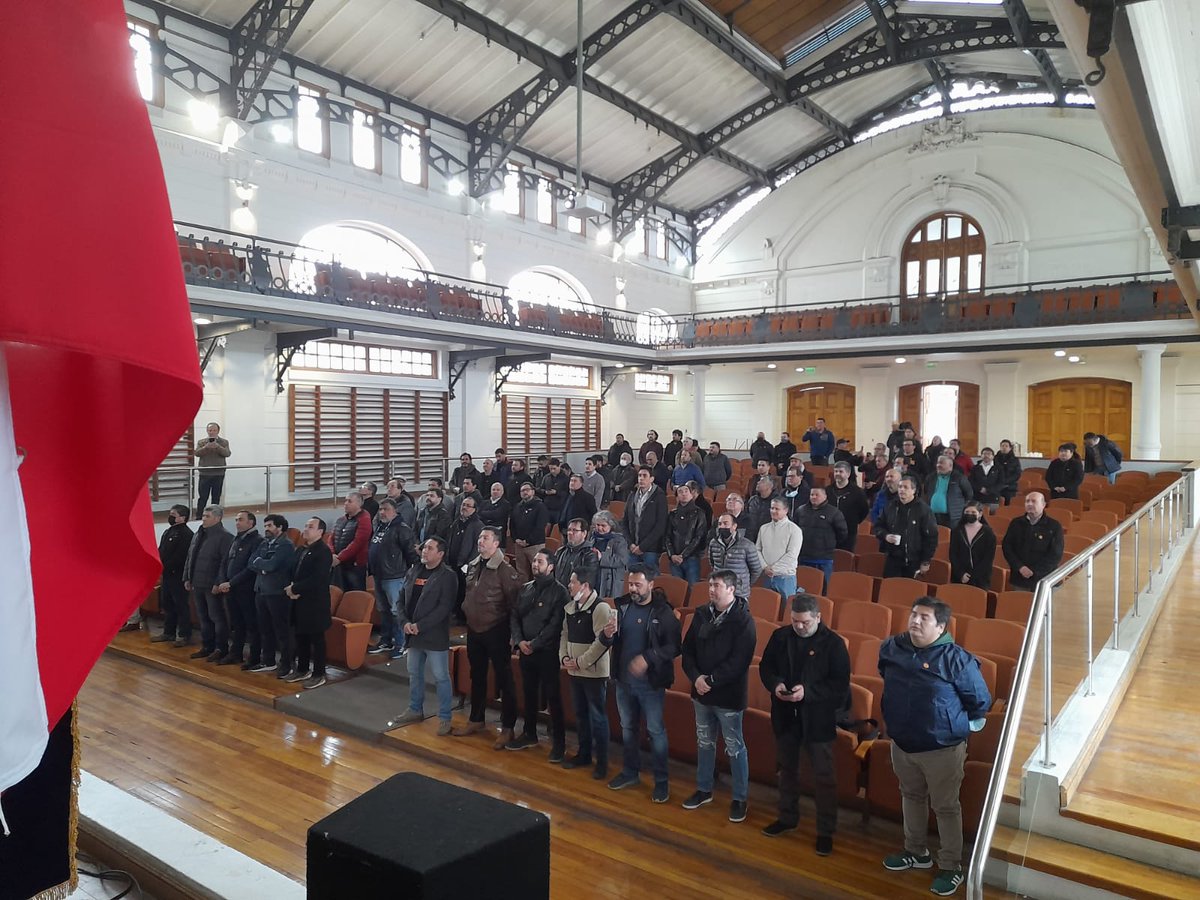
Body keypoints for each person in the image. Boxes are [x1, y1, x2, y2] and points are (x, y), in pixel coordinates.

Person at [879, 597, 992, 896]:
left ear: (940, 626)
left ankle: (951, 865)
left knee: (945, 807)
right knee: (911, 796)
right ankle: (916, 851)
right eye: (913, 614)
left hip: (941, 748)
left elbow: (980, 701)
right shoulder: (892, 647)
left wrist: (951, 722)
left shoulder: (957, 659)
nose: (915, 621)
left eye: (924, 618)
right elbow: (885, 677)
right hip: (902, 743)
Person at [758, 593, 851, 855]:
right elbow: (766, 667)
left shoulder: (833, 644)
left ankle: (825, 831)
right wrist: (776, 685)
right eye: (795, 621)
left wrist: (807, 693)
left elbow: (839, 685)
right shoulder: (780, 637)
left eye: (805, 622)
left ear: (818, 618)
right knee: (787, 770)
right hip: (786, 715)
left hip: (817, 719)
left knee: (824, 777)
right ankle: (787, 818)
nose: (799, 626)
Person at [680, 568, 757, 823]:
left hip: (728, 696)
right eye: (710, 584)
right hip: (701, 692)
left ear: (732, 589)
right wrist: (697, 678)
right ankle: (704, 790)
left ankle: (740, 798)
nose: (711, 589)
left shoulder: (743, 619)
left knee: (735, 747)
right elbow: (688, 649)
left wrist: (710, 680)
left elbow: (740, 660)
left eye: (717, 585)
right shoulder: (702, 614)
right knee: (704, 742)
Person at [601, 566, 681, 803]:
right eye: (630, 584)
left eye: (637, 584)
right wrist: (606, 635)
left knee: (655, 732)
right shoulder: (622, 607)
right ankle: (630, 772)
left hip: (651, 685)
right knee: (628, 728)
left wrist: (648, 658)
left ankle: (661, 782)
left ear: (651, 585)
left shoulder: (664, 612)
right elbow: (611, 639)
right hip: (624, 681)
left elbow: (674, 647)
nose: (632, 589)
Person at [454, 527, 521, 747]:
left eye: (486, 538)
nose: (480, 541)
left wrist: (513, 634)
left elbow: (514, 605)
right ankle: (476, 719)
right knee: (477, 675)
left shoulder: (504, 570)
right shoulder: (474, 565)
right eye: (480, 537)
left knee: (504, 679)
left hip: (497, 628)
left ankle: (508, 727)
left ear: (496, 544)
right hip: (474, 628)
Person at [506, 549, 570, 757]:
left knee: (553, 697)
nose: (535, 564)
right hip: (526, 650)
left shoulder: (560, 592)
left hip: (547, 652)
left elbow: (555, 624)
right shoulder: (525, 588)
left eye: (540, 561)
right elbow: (515, 615)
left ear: (550, 566)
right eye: (534, 561)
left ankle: (559, 743)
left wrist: (534, 643)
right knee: (529, 693)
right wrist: (520, 640)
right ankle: (529, 733)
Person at [392, 537, 457, 736]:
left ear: (440, 554)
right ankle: (415, 709)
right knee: (414, 673)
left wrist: (420, 625)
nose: (424, 551)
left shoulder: (447, 576)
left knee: (440, 677)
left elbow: (444, 608)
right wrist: (404, 623)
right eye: (424, 547)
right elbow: (401, 599)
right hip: (413, 633)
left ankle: (445, 717)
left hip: (433, 634)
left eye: (430, 548)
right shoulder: (414, 570)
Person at [559, 566, 613, 779]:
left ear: (585, 586)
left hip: (593, 673)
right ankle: (584, 754)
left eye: (573, 582)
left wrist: (580, 662)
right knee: (580, 715)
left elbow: (602, 643)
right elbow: (564, 634)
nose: (569, 585)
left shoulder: (600, 608)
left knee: (598, 717)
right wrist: (564, 658)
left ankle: (602, 762)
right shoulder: (570, 607)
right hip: (575, 670)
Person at [284, 517, 334, 690]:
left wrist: (295, 588)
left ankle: (319, 673)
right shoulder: (301, 549)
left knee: (316, 639)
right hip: (298, 600)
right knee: (300, 636)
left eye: (310, 527)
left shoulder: (323, 551)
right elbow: (292, 571)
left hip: (315, 602)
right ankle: (302, 668)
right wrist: (292, 588)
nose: (305, 529)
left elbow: (318, 578)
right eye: (305, 526)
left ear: (320, 532)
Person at [367, 498, 419, 658]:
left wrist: (409, 574)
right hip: (379, 574)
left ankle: (401, 642)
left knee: (396, 611)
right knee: (383, 610)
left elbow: (411, 553)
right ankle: (386, 640)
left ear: (395, 511)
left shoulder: (402, 529)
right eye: (380, 509)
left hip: (394, 576)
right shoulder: (380, 527)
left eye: (386, 509)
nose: (382, 512)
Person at [246, 513, 296, 677]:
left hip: (277, 593)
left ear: (280, 527)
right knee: (264, 628)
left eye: (270, 526)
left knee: (282, 631)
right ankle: (268, 661)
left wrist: (262, 565)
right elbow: (251, 561)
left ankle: (287, 663)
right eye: (265, 526)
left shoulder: (286, 545)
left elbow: (273, 565)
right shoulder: (264, 543)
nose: (266, 529)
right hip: (261, 590)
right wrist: (263, 566)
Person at [183, 505, 234, 663]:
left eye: (207, 516)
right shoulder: (199, 533)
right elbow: (190, 557)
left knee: (216, 617)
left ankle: (220, 648)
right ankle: (207, 646)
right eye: (203, 515)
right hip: (197, 582)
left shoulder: (225, 537)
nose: (203, 518)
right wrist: (187, 577)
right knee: (203, 617)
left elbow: (224, 563)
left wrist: (218, 582)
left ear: (217, 518)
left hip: (212, 585)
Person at [214, 509, 264, 667]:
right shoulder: (236, 539)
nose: (237, 523)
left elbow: (251, 568)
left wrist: (231, 582)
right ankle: (236, 653)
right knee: (236, 624)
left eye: (240, 520)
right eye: (236, 520)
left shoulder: (257, 540)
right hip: (231, 589)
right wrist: (222, 580)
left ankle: (254, 657)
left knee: (251, 624)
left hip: (246, 590)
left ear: (251, 523)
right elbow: (225, 562)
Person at [874, 475, 938, 578]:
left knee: (909, 590)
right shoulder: (890, 506)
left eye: (905, 487)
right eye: (900, 487)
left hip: (913, 560)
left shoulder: (924, 510)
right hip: (892, 557)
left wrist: (926, 561)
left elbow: (931, 537)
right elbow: (878, 527)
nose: (902, 490)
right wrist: (886, 536)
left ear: (914, 490)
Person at [1002, 492, 1065, 591]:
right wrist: (1020, 567)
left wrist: (1034, 571)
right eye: (1027, 501)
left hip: (1045, 579)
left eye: (1034, 501)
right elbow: (1007, 547)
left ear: (1043, 505)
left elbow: (1055, 554)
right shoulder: (1016, 523)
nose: (1030, 504)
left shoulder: (1054, 526)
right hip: (1020, 577)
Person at [151, 504, 194, 647]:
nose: (171, 517)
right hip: (167, 575)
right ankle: (168, 632)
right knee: (167, 604)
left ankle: (184, 635)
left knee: (180, 605)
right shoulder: (168, 531)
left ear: (182, 517)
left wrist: (165, 566)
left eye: (173, 515)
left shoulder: (186, 534)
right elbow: (161, 550)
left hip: (177, 575)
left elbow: (181, 556)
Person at [794, 486, 848, 591]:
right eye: (812, 495)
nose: (813, 497)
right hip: (803, 557)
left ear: (824, 496)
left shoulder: (834, 513)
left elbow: (842, 533)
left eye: (816, 495)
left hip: (824, 559)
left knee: (823, 589)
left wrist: (828, 543)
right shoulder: (801, 511)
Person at [624, 466, 669, 575]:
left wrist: (643, 546)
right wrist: (630, 544)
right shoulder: (632, 494)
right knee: (633, 580)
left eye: (645, 476)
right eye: (639, 476)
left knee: (651, 580)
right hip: (633, 547)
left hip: (650, 549)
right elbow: (625, 521)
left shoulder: (659, 496)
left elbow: (660, 525)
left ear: (652, 479)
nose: (641, 479)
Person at [707, 513, 764, 598]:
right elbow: (712, 563)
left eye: (725, 523)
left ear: (734, 526)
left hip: (739, 593)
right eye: (719, 524)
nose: (722, 526)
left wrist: (743, 583)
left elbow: (756, 570)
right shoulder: (713, 543)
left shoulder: (747, 545)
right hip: (719, 591)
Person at [757, 498, 803, 601]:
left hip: (785, 578)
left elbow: (792, 554)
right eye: (772, 508)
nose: (773, 511)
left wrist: (773, 569)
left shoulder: (794, 530)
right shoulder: (763, 528)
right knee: (768, 609)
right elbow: (757, 549)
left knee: (785, 610)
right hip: (767, 576)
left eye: (777, 509)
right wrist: (765, 567)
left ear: (785, 510)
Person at [666, 481, 706, 585]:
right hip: (674, 559)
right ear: (677, 497)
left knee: (692, 588)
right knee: (676, 587)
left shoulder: (699, 513)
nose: (683, 494)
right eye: (680, 492)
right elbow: (667, 536)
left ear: (691, 494)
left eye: (686, 491)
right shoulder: (672, 514)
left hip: (692, 557)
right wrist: (672, 555)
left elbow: (699, 536)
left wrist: (683, 555)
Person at [949, 501, 995, 589]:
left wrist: (973, 576)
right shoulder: (957, 531)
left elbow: (988, 558)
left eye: (973, 512)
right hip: (959, 577)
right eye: (967, 512)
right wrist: (961, 573)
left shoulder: (988, 532)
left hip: (980, 579)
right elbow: (953, 554)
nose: (970, 514)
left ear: (980, 514)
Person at [331, 491, 371, 592]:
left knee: (355, 593)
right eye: (345, 501)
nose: (345, 503)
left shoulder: (364, 519)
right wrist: (332, 554)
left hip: (354, 566)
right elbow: (331, 538)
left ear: (358, 504)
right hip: (338, 564)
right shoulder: (341, 520)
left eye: (349, 501)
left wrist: (340, 557)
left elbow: (358, 542)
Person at [510, 481, 549, 581]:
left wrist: (528, 541)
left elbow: (540, 526)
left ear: (533, 492)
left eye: (527, 490)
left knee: (538, 572)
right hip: (519, 545)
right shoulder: (517, 507)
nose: (524, 492)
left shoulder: (540, 506)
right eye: (522, 490)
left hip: (535, 545)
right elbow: (512, 525)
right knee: (521, 573)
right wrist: (516, 539)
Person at [828, 462, 869, 551]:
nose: (837, 474)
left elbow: (864, 510)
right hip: (829, 532)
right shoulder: (828, 490)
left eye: (841, 471)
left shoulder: (857, 492)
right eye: (836, 471)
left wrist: (853, 521)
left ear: (848, 474)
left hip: (849, 532)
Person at [924, 455, 974, 528]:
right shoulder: (931, 477)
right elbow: (926, 491)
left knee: (951, 537)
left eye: (942, 463)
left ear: (950, 466)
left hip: (952, 517)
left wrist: (959, 508)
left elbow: (969, 494)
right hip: (933, 515)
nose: (938, 465)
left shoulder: (959, 477)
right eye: (938, 463)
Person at [193, 422, 231, 516]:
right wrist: (206, 447)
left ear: (218, 431)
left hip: (219, 473)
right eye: (210, 430)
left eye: (214, 430)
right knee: (203, 497)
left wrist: (218, 447)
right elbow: (197, 453)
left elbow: (227, 454)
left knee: (216, 497)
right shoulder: (201, 442)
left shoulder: (224, 442)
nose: (212, 432)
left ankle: (215, 516)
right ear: (207, 431)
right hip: (205, 474)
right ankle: (199, 516)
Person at [591, 510, 630, 599]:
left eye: (603, 525)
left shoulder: (619, 540)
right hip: (593, 576)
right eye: (598, 525)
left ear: (611, 526)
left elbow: (622, 559)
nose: (600, 528)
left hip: (611, 580)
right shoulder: (591, 537)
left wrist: (601, 557)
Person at [554, 518, 600, 589]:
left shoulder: (590, 554)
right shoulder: (561, 551)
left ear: (584, 533)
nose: (570, 533)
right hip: (558, 593)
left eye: (574, 530)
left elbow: (588, 580)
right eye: (569, 530)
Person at [744, 475, 779, 543]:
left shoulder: (778, 502)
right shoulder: (753, 500)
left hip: (770, 539)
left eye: (762, 481)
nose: (758, 482)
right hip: (751, 538)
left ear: (770, 485)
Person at [968, 447, 1005, 511]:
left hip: (993, 497)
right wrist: (980, 489)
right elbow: (971, 481)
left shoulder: (999, 468)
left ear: (993, 456)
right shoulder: (975, 468)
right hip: (977, 497)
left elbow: (1001, 482)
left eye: (989, 454)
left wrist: (988, 490)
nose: (986, 456)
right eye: (984, 454)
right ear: (981, 456)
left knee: (993, 518)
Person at [477, 481, 512, 547]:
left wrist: (484, 513)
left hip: (497, 538)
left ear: (502, 492)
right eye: (493, 489)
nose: (495, 491)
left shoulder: (505, 504)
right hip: (483, 536)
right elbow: (478, 515)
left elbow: (496, 515)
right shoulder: (484, 503)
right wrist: (489, 515)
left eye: (498, 490)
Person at [538, 458, 570, 524]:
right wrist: (545, 492)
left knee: (557, 528)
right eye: (550, 469)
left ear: (559, 467)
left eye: (554, 469)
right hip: (547, 506)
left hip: (559, 508)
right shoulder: (546, 477)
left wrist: (556, 492)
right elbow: (540, 489)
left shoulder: (565, 478)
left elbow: (568, 493)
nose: (552, 471)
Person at [993, 439, 1023, 505]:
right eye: (1002, 446)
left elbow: (1017, 474)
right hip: (997, 487)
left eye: (1006, 446)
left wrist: (1006, 481)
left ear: (1010, 448)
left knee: (1008, 506)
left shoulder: (1015, 460)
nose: (1004, 448)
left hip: (1010, 487)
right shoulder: (995, 459)